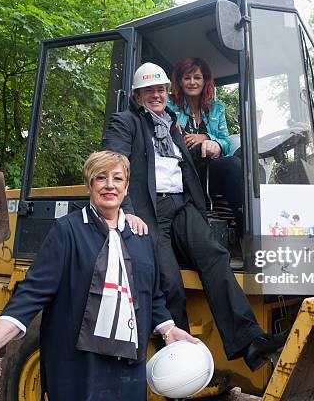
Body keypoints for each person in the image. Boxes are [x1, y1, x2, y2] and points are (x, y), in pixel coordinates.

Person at [0, 151, 195, 400]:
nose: (109, 184)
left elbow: (151, 295)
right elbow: (32, 293)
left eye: (117, 178)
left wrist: (168, 329)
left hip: (128, 370)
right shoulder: (67, 231)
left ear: (126, 186)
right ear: (90, 185)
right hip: (77, 368)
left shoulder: (142, 238)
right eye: (101, 178)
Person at [102, 62, 287, 371]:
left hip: (182, 205)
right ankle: (180, 362)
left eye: (160, 89)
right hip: (149, 210)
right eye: (150, 91)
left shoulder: (173, 124)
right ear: (138, 96)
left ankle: (249, 341)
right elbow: (112, 164)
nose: (157, 95)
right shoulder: (126, 122)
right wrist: (128, 212)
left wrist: (196, 206)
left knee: (215, 256)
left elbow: (187, 167)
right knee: (170, 281)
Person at [167, 57, 243, 234]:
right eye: (187, 78)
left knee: (234, 164)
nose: (192, 82)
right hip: (180, 170)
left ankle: (244, 232)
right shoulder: (168, 105)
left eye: (197, 77)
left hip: (208, 169)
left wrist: (208, 138)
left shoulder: (217, 108)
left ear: (205, 80)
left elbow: (225, 141)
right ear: (179, 81)